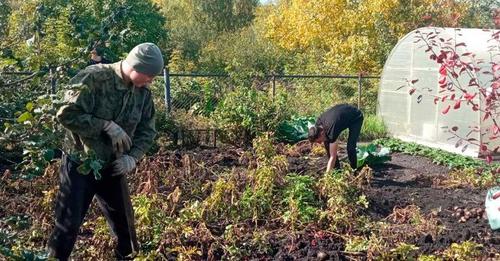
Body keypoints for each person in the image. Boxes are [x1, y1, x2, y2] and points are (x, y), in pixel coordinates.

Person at [47, 42, 163, 260]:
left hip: (113, 166)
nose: (151, 81)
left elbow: (148, 130)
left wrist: (132, 157)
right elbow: (65, 114)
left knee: (126, 231)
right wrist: (105, 125)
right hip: (80, 164)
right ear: (136, 68)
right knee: (67, 227)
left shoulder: (142, 94)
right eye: (149, 76)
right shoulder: (93, 78)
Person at [308, 104, 364, 172]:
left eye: (319, 141)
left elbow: (332, 156)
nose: (320, 143)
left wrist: (327, 176)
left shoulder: (332, 130)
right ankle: (337, 171)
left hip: (356, 117)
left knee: (350, 147)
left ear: (321, 133)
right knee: (327, 146)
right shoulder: (318, 125)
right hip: (342, 115)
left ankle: (354, 169)